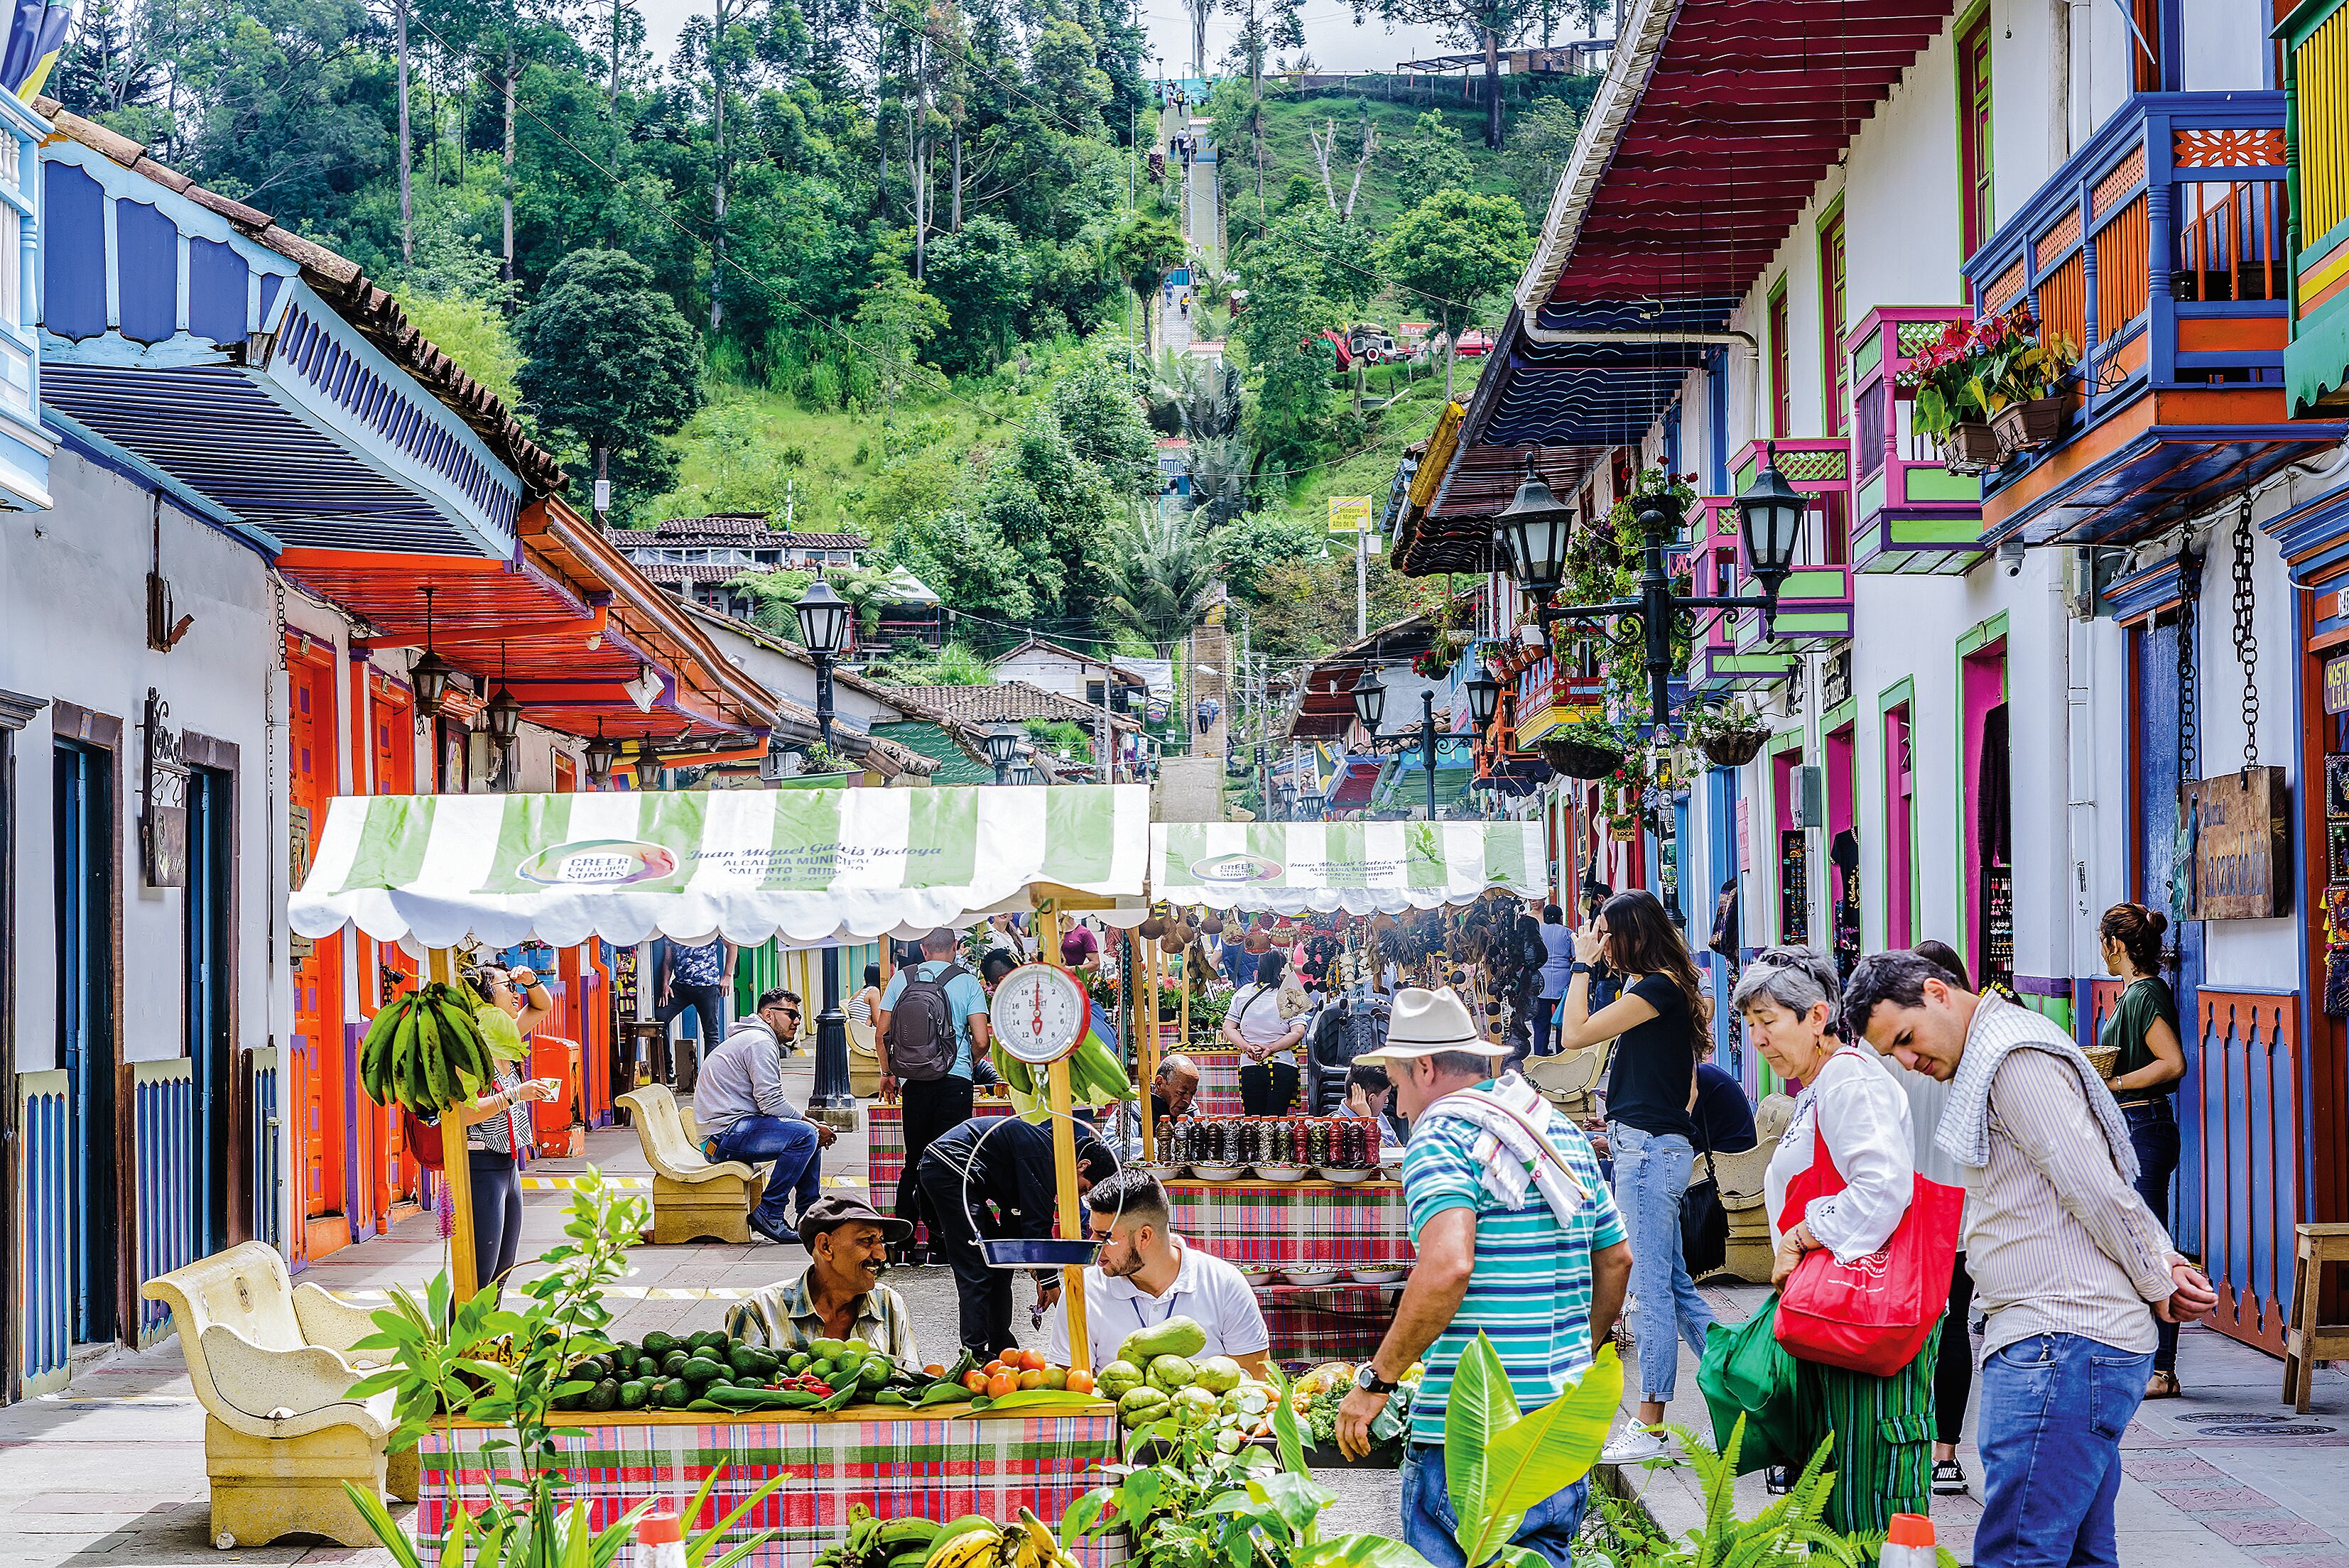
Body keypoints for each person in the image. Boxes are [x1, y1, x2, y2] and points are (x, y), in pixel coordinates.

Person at [1844, 950, 2219, 1568]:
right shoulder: (1996, 1050)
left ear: (1937, 992)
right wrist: (2158, 1260)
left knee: (2018, 1554)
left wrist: (2157, 1277)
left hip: (2059, 1342)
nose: (1910, 1062)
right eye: (1894, 1055)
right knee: (2077, 1555)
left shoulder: (2012, 1059)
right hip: (2064, 1342)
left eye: (1907, 1039)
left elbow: (2094, 1186)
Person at [1335, 989, 1630, 1568]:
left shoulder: (1442, 1134)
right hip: (1555, 1428)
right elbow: (1616, 1259)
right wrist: (1577, 1350)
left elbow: (1447, 1265)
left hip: (1471, 1433)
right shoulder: (1559, 1133)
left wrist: (1376, 1380)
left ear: (1424, 1067)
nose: (1395, 1100)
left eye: (1395, 1081)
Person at [1732, 947, 1939, 1537]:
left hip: (1863, 1313)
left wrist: (1802, 1234)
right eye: (1750, 1028)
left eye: (1769, 1022)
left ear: (1817, 1016)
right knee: (1835, 1482)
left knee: (1867, 1489)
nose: (1760, 1041)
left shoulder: (1850, 1082)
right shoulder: (1819, 1088)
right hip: (1835, 1316)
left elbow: (1883, 1186)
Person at [1552, 888, 1716, 1461]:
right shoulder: (1664, 988)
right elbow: (1690, 1088)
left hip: (1646, 1151)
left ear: (1630, 934)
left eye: (1605, 931)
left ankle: (1649, 1426)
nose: (1599, 940)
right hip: (1652, 1146)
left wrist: (1579, 964)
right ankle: (1743, 1383)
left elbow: (1572, 1035)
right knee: (1671, 1283)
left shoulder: (1657, 988)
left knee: (1646, 1290)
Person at [916, 1114, 1117, 1356]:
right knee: (975, 1268)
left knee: (1001, 1266)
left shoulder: (1049, 1158)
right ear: (1082, 1166)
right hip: (949, 1168)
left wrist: (1040, 1274)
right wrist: (1052, 1286)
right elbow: (1036, 1225)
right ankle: (974, 1355)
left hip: (965, 1175)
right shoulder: (1045, 1157)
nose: (1077, 1197)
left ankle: (1002, 1347)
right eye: (1084, 1188)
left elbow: (1017, 1228)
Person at [1045, 1168, 1271, 1375]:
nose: (1093, 1245)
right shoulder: (1082, 1290)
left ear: (1144, 1237)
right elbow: (1074, 1392)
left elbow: (1255, 1380)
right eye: (1092, 1232)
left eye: (1105, 1237)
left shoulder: (1223, 1284)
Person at [2097, 902, 2187, 1399]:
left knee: (2153, 1248)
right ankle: (2151, 1362)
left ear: (2114, 944)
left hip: (2145, 1125)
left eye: (2102, 942)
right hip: (2135, 1126)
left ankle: (2162, 1368)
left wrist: (2114, 1082)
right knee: (2141, 1245)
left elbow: (2171, 1062)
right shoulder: (2133, 993)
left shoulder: (2144, 994)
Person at [877, 928, 993, 1263]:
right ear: (956, 948)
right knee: (953, 1162)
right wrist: (965, 1060)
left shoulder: (902, 978)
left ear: (923, 950)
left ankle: (902, 1241)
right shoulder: (967, 982)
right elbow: (982, 1040)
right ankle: (945, 1240)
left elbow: (882, 1033)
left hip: (913, 1081)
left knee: (914, 1159)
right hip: (954, 1082)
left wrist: (889, 1074)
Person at [1910, 937, 1978, 1495]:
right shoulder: (1973, 1044)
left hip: (1907, 1208)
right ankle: (1945, 1456)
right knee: (1953, 1324)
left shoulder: (1892, 1046)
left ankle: (1904, 1441)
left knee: (1910, 1328)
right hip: (1962, 1207)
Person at [450, 966, 563, 1289]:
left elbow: (542, 1006)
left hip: (509, 1166)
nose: (516, 994)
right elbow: (460, 1115)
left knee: (502, 1272)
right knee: (478, 1276)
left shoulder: (504, 1038)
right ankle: (459, 1341)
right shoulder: (470, 1053)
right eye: (507, 987)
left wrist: (531, 981)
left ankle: (488, 1340)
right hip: (479, 1166)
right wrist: (516, 1094)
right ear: (484, 998)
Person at [697, 986, 833, 1243]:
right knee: (805, 1134)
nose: (796, 1021)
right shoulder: (759, 1042)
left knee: (808, 1134)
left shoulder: (758, 1039)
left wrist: (812, 1127)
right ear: (769, 1015)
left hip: (734, 1129)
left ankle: (808, 1218)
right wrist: (811, 1123)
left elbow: (768, 1105)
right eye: (790, 1014)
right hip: (722, 1137)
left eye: (798, 1016)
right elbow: (771, 1103)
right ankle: (769, 1213)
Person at [727, 1196, 921, 1366]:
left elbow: (911, 1384)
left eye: (881, 1240)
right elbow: (737, 1397)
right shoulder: (758, 1312)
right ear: (825, 1246)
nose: (881, 1255)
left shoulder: (888, 1304)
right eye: (867, 1240)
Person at [1224, 950, 1308, 1114]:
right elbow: (1298, 1032)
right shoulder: (1291, 993)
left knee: (1253, 1120)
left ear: (1260, 968)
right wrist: (1270, 1048)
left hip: (1250, 1064)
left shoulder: (1243, 992)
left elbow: (1228, 1027)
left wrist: (1248, 1047)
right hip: (1282, 1065)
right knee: (1276, 1121)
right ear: (1283, 968)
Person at [656, 937, 735, 1075]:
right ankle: (667, 1071)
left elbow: (732, 945)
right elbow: (668, 959)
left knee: (711, 1033)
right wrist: (665, 984)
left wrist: (727, 975)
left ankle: (708, 1077)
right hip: (680, 986)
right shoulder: (672, 929)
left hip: (708, 986)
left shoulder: (710, 926)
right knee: (660, 1020)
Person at [1692, 1040, 1757, 1155]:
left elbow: (1676, 1129)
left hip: (1728, 1160)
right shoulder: (1705, 1073)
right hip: (1732, 1155)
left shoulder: (1698, 1079)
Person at [1531, 904, 1577, 1056]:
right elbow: (1576, 957)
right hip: (1563, 983)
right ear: (1560, 918)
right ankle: (1562, 1055)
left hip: (1541, 982)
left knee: (1540, 1024)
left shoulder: (1537, 932)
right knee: (1562, 1022)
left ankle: (1540, 1055)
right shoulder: (1568, 933)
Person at [1344, 1060, 1410, 1149]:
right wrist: (1367, 1119)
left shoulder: (1378, 1116)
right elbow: (1381, 1156)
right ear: (1371, 1099)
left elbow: (1399, 1151)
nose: (1387, 1101)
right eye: (1385, 1096)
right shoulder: (1342, 1127)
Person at [847, 964, 884, 1033]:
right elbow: (878, 1022)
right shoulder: (874, 991)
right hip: (867, 1034)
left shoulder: (856, 994)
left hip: (857, 1033)